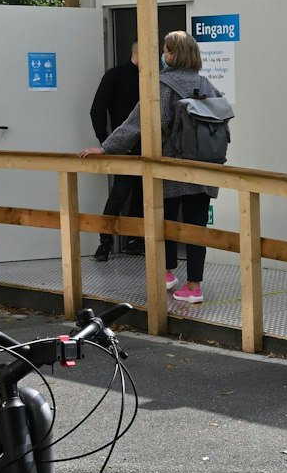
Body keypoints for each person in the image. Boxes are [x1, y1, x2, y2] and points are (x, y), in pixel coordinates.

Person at [79, 31, 223, 305]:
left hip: (170, 168)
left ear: (174, 54)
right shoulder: (206, 84)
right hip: (204, 167)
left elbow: (136, 123)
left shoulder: (162, 85)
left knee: (163, 222)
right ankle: (194, 287)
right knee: (197, 228)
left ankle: (166, 274)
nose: (163, 55)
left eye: (166, 50)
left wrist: (106, 148)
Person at [87, 40, 143, 261]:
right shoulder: (115, 76)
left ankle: (134, 240)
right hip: (122, 147)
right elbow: (97, 110)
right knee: (120, 192)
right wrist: (107, 143)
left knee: (143, 193)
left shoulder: (152, 78)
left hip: (147, 147)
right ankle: (105, 243)